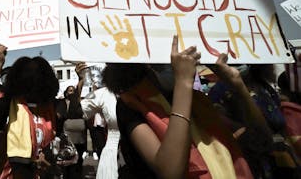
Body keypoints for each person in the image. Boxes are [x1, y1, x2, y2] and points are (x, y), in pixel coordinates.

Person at [103, 35, 272, 179]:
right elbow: (169, 170)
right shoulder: (131, 104)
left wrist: (238, 86)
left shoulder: (198, 101)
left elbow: (263, 140)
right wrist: (183, 83)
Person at [0, 44, 59, 179]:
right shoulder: (10, 104)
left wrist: (46, 154)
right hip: (13, 173)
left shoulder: (49, 107)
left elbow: (54, 138)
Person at [75, 62, 119, 179]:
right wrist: (81, 81)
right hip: (112, 156)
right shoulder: (104, 94)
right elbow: (75, 112)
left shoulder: (147, 89)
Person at [55, 85, 87, 179]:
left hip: (79, 137)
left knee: (78, 159)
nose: (71, 92)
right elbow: (59, 115)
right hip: (68, 137)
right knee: (68, 160)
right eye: (70, 90)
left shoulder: (80, 102)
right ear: (66, 93)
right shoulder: (63, 102)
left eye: (73, 91)